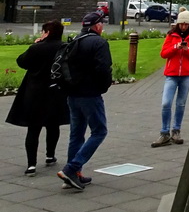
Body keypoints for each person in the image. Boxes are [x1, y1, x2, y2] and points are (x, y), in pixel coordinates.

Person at [5, 20, 70, 175]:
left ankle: (31, 164)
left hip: (35, 92)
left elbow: (22, 61)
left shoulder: (37, 48)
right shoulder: (64, 48)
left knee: (34, 128)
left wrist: (36, 44)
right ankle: (50, 155)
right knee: (53, 125)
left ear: (46, 32)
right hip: (56, 91)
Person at [57, 11, 112, 191]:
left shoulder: (74, 42)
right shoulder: (99, 43)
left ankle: (73, 175)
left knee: (76, 133)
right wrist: (103, 87)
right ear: (97, 26)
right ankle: (72, 168)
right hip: (90, 94)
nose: (102, 27)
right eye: (101, 24)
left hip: (72, 93)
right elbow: (104, 69)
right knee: (99, 131)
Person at [151, 9, 189, 147]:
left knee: (180, 104)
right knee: (166, 103)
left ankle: (176, 130)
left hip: (186, 75)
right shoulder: (171, 36)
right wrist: (175, 46)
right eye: (181, 24)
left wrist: (187, 49)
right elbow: (164, 53)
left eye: (186, 24)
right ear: (177, 23)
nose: (183, 26)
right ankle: (164, 132)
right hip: (172, 74)